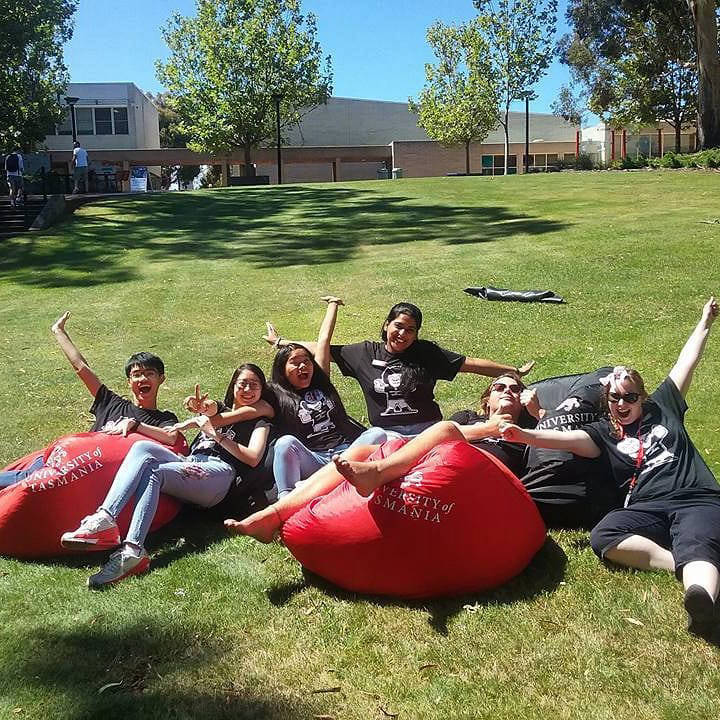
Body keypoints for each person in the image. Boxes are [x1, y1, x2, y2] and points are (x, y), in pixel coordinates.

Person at [500, 298, 720, 638]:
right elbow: (568, 440)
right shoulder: (603, 433)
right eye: (615, 398)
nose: (622, 403)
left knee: (696, 540)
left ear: (642, 397)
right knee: (605, 535)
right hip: (646, 507)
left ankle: (701, 598)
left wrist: (704, 323)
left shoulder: (665, 406)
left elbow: (686, 362)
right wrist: (525, 435)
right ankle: (681, 565)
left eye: (630, 397)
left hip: (694, 497)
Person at [225, 372, 541, 542]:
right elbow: (428, 441)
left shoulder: (530, 430)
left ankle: (376, 473)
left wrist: (536, 413)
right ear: (486, 400)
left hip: (480, 479)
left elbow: (556, 442)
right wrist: (488, 427)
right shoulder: (467, 417)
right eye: (499, 387)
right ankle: (275, 514)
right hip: (437, 466)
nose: (507, 391)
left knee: (444, 429)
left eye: (515, 389)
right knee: (361, 451)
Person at [60, 363, 274, 588]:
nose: (247, 390)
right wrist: (202, 407)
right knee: (143, 448)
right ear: (233, 386)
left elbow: (253, 457)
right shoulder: (222, 411)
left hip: (219, 473)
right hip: (192, 462)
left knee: (154, 471)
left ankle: (132, 550)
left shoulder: (260, 422)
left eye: (254, 385)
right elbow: (211, 408)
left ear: (262, 389)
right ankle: (105, 519)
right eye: (243, 383)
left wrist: (215, 436)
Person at [264, 301, 533, 437]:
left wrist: (513, 371)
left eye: (410, 330)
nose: (402, 334)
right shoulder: (364, 353)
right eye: (398, 326)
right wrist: (281, 343)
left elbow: (470, 364)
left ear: (416, 334)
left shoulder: (427, 353)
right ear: (386, 325)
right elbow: (323, 348)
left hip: (427, 430)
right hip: (386, 434)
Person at [0, 311, 178, 488]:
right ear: (129, 382)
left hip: (87, 475)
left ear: (161, 379)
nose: (142, 379)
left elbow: (171, 437)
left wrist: (136, 425)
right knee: (27, 478)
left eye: (149, 373)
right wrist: (59, 331)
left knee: (30, 482)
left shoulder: (163, 419)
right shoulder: (111, 403)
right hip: (67, 461)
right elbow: (81, 367)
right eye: (136, 375)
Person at [268, 296, 386, 497]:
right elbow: (249, 405)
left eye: (306, 361)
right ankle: (286, 499)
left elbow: (324, 341)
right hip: (313, 458)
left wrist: (333, 304)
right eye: (295, 363)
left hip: (345, 454)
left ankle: (319, 483)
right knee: (285, 443)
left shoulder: (321, 381)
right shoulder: (275, 394)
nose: (303, 366)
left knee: (377, 434)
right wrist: (215, 411)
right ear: (282, 369)